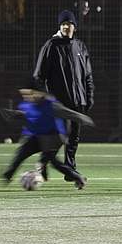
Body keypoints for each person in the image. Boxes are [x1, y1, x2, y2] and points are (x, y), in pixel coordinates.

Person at [33, 10, 94, 177]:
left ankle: (69, 169)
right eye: (64, 24)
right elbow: (38, 76)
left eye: (70, 24)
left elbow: (87, 75)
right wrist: (48, 98)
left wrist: (89, 96)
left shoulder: (80, 46)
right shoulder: (51, 46)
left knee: (74, 137)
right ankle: (44, 162)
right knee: (60, 136)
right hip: (59, 103)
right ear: (60, 26)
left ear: (75, 26)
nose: (67, 27)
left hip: (78, 100)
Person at [0, 78, 89, 189]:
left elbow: (67, 113)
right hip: (37, 136)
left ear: (39, 93)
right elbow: (29, 116)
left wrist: (82, 118)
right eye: (24, 94)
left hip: (54, 136)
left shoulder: (50, 104)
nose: (27, 97)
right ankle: (8, 175)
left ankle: (78, 178)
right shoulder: (27, 104)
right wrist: (15, 114)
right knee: (21, 153)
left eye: (29, 93)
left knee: (53, 161)